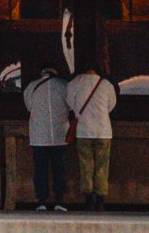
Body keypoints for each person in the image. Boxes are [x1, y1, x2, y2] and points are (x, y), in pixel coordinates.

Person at [19, 54, 71, 210]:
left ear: (41, 72)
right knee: (59, 168)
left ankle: (41, 200)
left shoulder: (31, 87)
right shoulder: (64, 86)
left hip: (38, 135)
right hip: (60, 133)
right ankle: (59, 200)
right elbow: (70, 106)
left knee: (40, 168)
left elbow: (29, 107)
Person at [66, 57, 119, 208]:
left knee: (86, 165)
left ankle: (88, 198)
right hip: (103, 130)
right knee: (102, 165)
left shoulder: (76, 82)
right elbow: (111, 105)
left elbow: (69, 102)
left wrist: (78, 113)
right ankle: (101, 199)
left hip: (83, 130)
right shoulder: (106, 85)